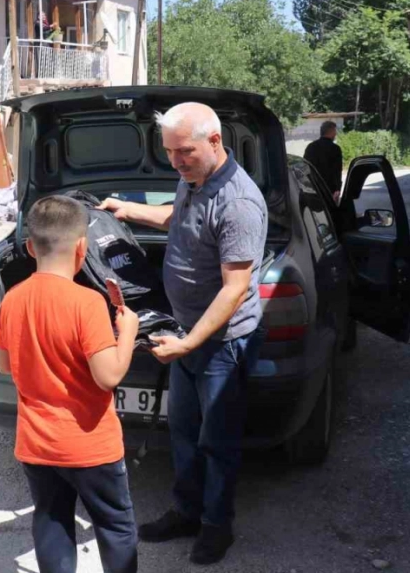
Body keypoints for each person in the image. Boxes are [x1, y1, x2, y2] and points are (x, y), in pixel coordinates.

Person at [98, 102, 268, 565]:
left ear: (215, 142)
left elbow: (234, 289)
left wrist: (191, 343)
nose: (175, 161)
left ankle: (217, 525)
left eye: (184, 151)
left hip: (221, 345)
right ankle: (187, 512)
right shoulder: (194, 179)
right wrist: (127, 209)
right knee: (185, 433)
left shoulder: (237, 202)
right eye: (170, 152)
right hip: (187, 334)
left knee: (217, 440)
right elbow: (178, 218)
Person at [0, 195, 141, 573]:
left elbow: (4, 365)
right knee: (114, 524)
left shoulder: (12, 299)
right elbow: (108, 376)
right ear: (82, 246)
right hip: (91, 445)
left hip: (37, 444)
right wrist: (127, 331)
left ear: (30, 247)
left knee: (52, 521)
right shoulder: (88, 303)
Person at [303, 120, 344, 204]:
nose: (336, 134)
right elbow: (337, 170)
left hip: (313, 188)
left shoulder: (311, 147)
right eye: (335, 131)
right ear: (331, 131)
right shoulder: (335, 149)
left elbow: (305, 167)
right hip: (329, 189)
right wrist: (337, 189)